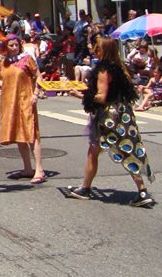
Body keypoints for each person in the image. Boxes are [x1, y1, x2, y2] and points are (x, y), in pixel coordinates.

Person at [64, 37, 155, 207]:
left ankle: (140, 191)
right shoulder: (120, 67)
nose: (93, 49)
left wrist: (80, 95)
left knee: (119, 151)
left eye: (96, 48)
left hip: (108, 118)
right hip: (123, 114)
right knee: (114, 150)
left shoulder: (103, 70)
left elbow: (101, 96)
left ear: (103, 51)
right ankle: (87, 187)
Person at [0, 35, 46, 184]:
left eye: (16, 45)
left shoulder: (27, 59)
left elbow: (38, 76)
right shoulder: (4, 62)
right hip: (10, 101)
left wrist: (35, 93)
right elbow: (4, 80)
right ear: (6, 47)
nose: (14, 48)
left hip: (26, 99)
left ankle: (39, 169)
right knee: (19, 134)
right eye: (11, 46)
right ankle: (28, 168)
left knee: (31, 133)